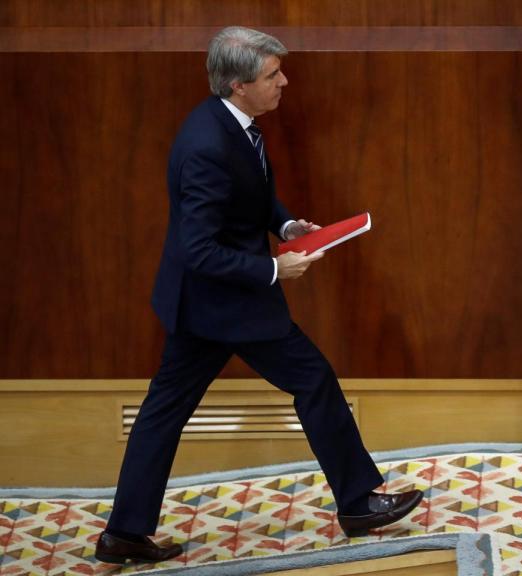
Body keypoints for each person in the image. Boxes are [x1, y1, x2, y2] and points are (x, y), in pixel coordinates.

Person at [95, 26, 423, 565]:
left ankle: (124, 534)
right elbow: (199, 249)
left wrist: (288, 224)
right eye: (272, 76)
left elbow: (253, 197)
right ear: (237, 84)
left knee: (163, 411)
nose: (284, 82)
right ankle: (359, 503)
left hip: (204, 304)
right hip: (224, 303)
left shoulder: (234, 125)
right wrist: (273, 267)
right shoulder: (205, 145)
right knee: (312, 378)